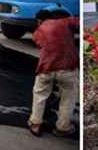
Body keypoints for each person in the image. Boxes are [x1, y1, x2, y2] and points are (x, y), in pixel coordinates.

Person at [28, 10, 79, 138]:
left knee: (39, 95)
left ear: (39, 21)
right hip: (68, 69)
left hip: (46, 69)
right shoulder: (67, 21)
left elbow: (45, 46)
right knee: (68, 98)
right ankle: (61, 129)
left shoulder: (37, 33)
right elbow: (79, 24)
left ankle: (35, 124)